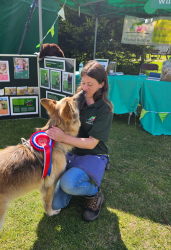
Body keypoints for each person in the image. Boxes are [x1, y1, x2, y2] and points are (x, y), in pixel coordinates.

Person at [45, 60, 113, 222]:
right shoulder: (75, 101)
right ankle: (71, 181)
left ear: (102, 85)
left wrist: (63, 137)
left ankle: (94, 192)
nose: (85, 88)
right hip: (70, 153)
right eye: (83, 82)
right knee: (53, 205)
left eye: (90, 84)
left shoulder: (105, 109)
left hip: (93, 154)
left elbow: (91, 143)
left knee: (68, 184)